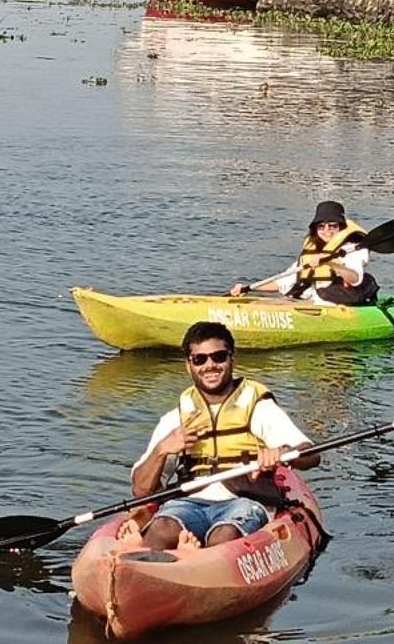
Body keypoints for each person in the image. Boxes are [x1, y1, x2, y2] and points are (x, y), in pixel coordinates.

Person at [128, 322, 315, 550]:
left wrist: (283, 453)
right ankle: (158, 566)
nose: (210, 366)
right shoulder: (176, 417)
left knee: (224, 535)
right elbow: (141, 491)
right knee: (162, 528)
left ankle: (197, 561)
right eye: (200, 359)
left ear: (232, 359)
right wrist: (161, 450)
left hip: (244, 501)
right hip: (189, 503)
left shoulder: (257, 407)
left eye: (218, 357)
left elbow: (310, 455)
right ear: (189, 366)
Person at [229, 201, 379, 306]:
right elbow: (283, 282)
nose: (327, 230)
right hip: (304, 302)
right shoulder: (312, 249)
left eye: (332, 226)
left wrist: (329, 262)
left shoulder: (354, 249)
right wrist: (249, 288)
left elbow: (355, 279)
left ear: (341, 227)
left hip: (332, 305)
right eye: (321, 226)